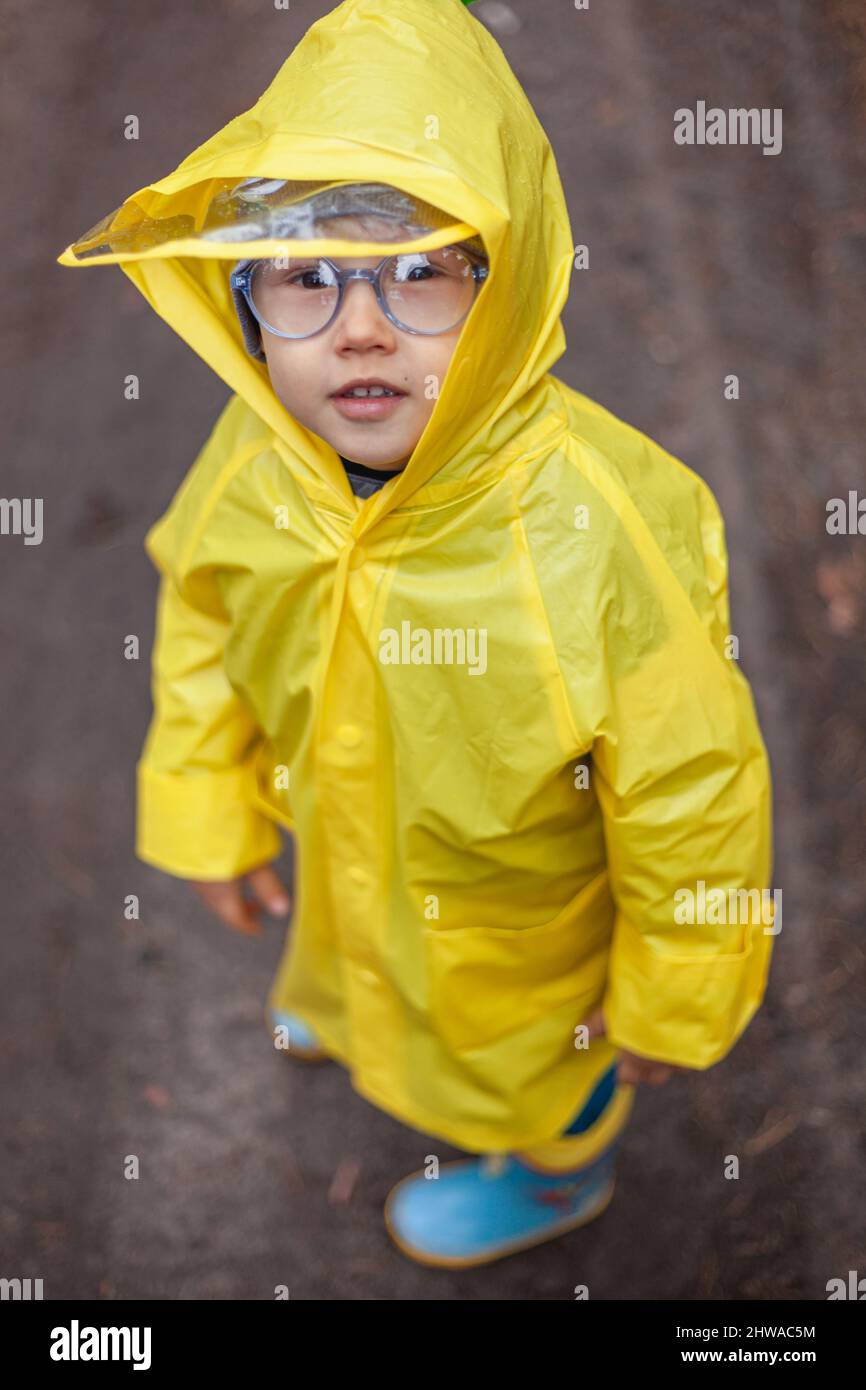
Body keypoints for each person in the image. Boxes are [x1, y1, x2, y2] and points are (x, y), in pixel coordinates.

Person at [57, 0, 776, 1269]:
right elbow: (201, 612)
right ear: (241, 297)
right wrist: (208, 806)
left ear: (503, 284)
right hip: (342, 850)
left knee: (525, 1068)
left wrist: (675, 992)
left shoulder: (602, 534)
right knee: (342, 944)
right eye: (305, 277)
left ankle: (562, 1171)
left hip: (517, 927)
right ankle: (355, 1012)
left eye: (418, 271)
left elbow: (695, 790)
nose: (361, 328)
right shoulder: (260, 456)